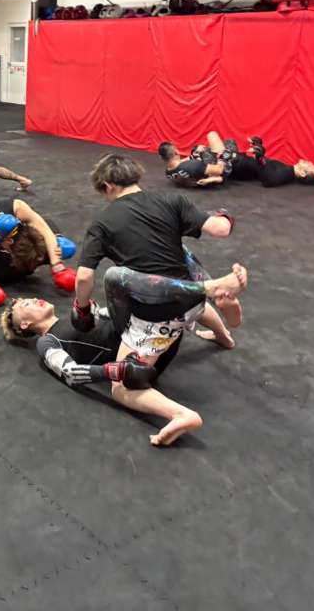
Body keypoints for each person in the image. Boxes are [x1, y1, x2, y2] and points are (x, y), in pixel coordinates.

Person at [72, 154, 248, 445]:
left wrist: (81, 308)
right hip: (192, 300)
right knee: (187, 272)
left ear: (108, 186)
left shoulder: (102, 222)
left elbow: (83, 277)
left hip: (157, 317)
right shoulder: (171, 200)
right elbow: (220, 229)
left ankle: (180, 414)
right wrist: (225, 214)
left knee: (120, 387)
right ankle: (223, 335)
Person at [228, 136, 314, 187]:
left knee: (220, 139)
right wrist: (257, 146)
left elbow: (269, 180)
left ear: (302, 173)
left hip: (234, 164)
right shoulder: (286, 169)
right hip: (239, 160)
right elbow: (264, 166)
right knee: (230, 142)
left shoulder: (286, 173)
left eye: (310, 166)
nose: (309, 162)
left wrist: (259, 157)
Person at [158, 131, 236, 188]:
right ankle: (232, 154)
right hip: (222, 170)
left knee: (200, 149)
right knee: (217, 137)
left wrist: (195, 154)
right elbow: (219, 170)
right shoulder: (193, 165)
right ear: (176, 152)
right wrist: (223, 157)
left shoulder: (168, 172)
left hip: (200, 172)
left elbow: (180, 164)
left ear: (161, 157)